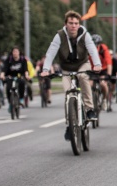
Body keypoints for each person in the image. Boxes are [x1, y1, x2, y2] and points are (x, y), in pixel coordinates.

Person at [40, 10, 102, 141]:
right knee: (68, 93)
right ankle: (70, 124)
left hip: (82, 64)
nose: (73, 26)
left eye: (76, 23)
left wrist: (97, 64)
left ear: (79, 24)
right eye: (71, 23)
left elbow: (92, 49)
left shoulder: (85, 34)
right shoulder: (59, 35)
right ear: (66, 24)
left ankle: (89, 109)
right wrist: (45, 69)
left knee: (83, 77)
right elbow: (51, 52)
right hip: (66, 67)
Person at [0, 47, 30, 111]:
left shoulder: (23, 59)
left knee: (22, 83)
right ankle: (10, 102)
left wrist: (27, 76)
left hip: (20, 76)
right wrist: (2, 75)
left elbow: (26, 69)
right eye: (14, 52)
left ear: (19, 52)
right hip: (10, 76)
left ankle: (21, 99)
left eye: (16, 51)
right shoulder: (9, 59)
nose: (15, 53)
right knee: (8, 88)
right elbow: (4, 69)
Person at [91, 34, 112, 111]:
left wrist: (109, 74)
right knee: (89, 84)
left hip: (103, 69)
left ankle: (104, 99)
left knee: (103, 84)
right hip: (92, 69)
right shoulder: (88, 48)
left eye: (96, 45)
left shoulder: (103, 48)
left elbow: (109, 62)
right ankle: (90, 100)